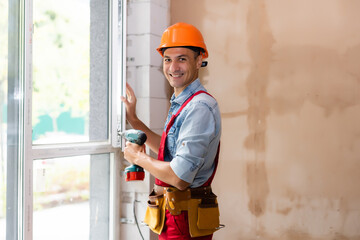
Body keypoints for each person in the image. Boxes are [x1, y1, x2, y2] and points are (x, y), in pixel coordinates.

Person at [121, 22, 222, 240]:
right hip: (174, 215)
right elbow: (171, 151)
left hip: (184, 219)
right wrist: (135, 122)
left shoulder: (199, 107)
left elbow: (179, 177)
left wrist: (138, 158)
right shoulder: (183, 102)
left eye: (182, 59)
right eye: (168, 59)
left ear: (198, 60)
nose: (173, 67)